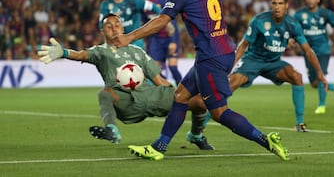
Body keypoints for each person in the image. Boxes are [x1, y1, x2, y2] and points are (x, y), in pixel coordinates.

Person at [117, 0, 289, 161]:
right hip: (224, 50)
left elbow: (162, 21)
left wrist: (128, 37)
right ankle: (159, 147)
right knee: (180, 96)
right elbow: (198, 2)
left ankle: (266, 140)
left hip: (210, 57)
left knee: (219, 113)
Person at [37, 14, 214, 150]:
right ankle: (111, 130)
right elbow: (81, 54)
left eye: (117, 25)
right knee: (105, 94)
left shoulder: (138, 52)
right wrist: (64, 53)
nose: (114, 29)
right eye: (108, 26)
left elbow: (159, 80)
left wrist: (176, 94)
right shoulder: (101, 52)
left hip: (151, 95)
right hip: (126, 102)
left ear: (122, 27)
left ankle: (196, 136)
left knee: (199, 102)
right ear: (102, 31)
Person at [229, 0, 328, 133]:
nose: (277, 6)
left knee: (297, 77)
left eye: (280, 3)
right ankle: (200, 127)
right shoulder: (259, 20)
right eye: (274, 3)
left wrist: (319, 73)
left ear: (286, 5)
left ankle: (300, 123)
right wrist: (229, 67)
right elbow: (243, 45)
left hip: (273, 63)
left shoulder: (292, 24)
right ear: (270, 5)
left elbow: (308, 50)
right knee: (230, 85)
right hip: (253, 60)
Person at [98, 0, 163, 49]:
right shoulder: (105, 5)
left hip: (135, 44)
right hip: (116, 44)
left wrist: (164, 21)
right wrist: (111, 19)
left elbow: (154, 7)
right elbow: (101, 25)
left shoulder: (134, 2)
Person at [140, 0, 182, 85]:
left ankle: (184, 93)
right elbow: (145, 23)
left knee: (173, 67)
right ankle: (169, 90)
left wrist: (173, 41)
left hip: (169, 36)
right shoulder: (143, 3)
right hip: (155, 40)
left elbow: (172, 20)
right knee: (155, 72)